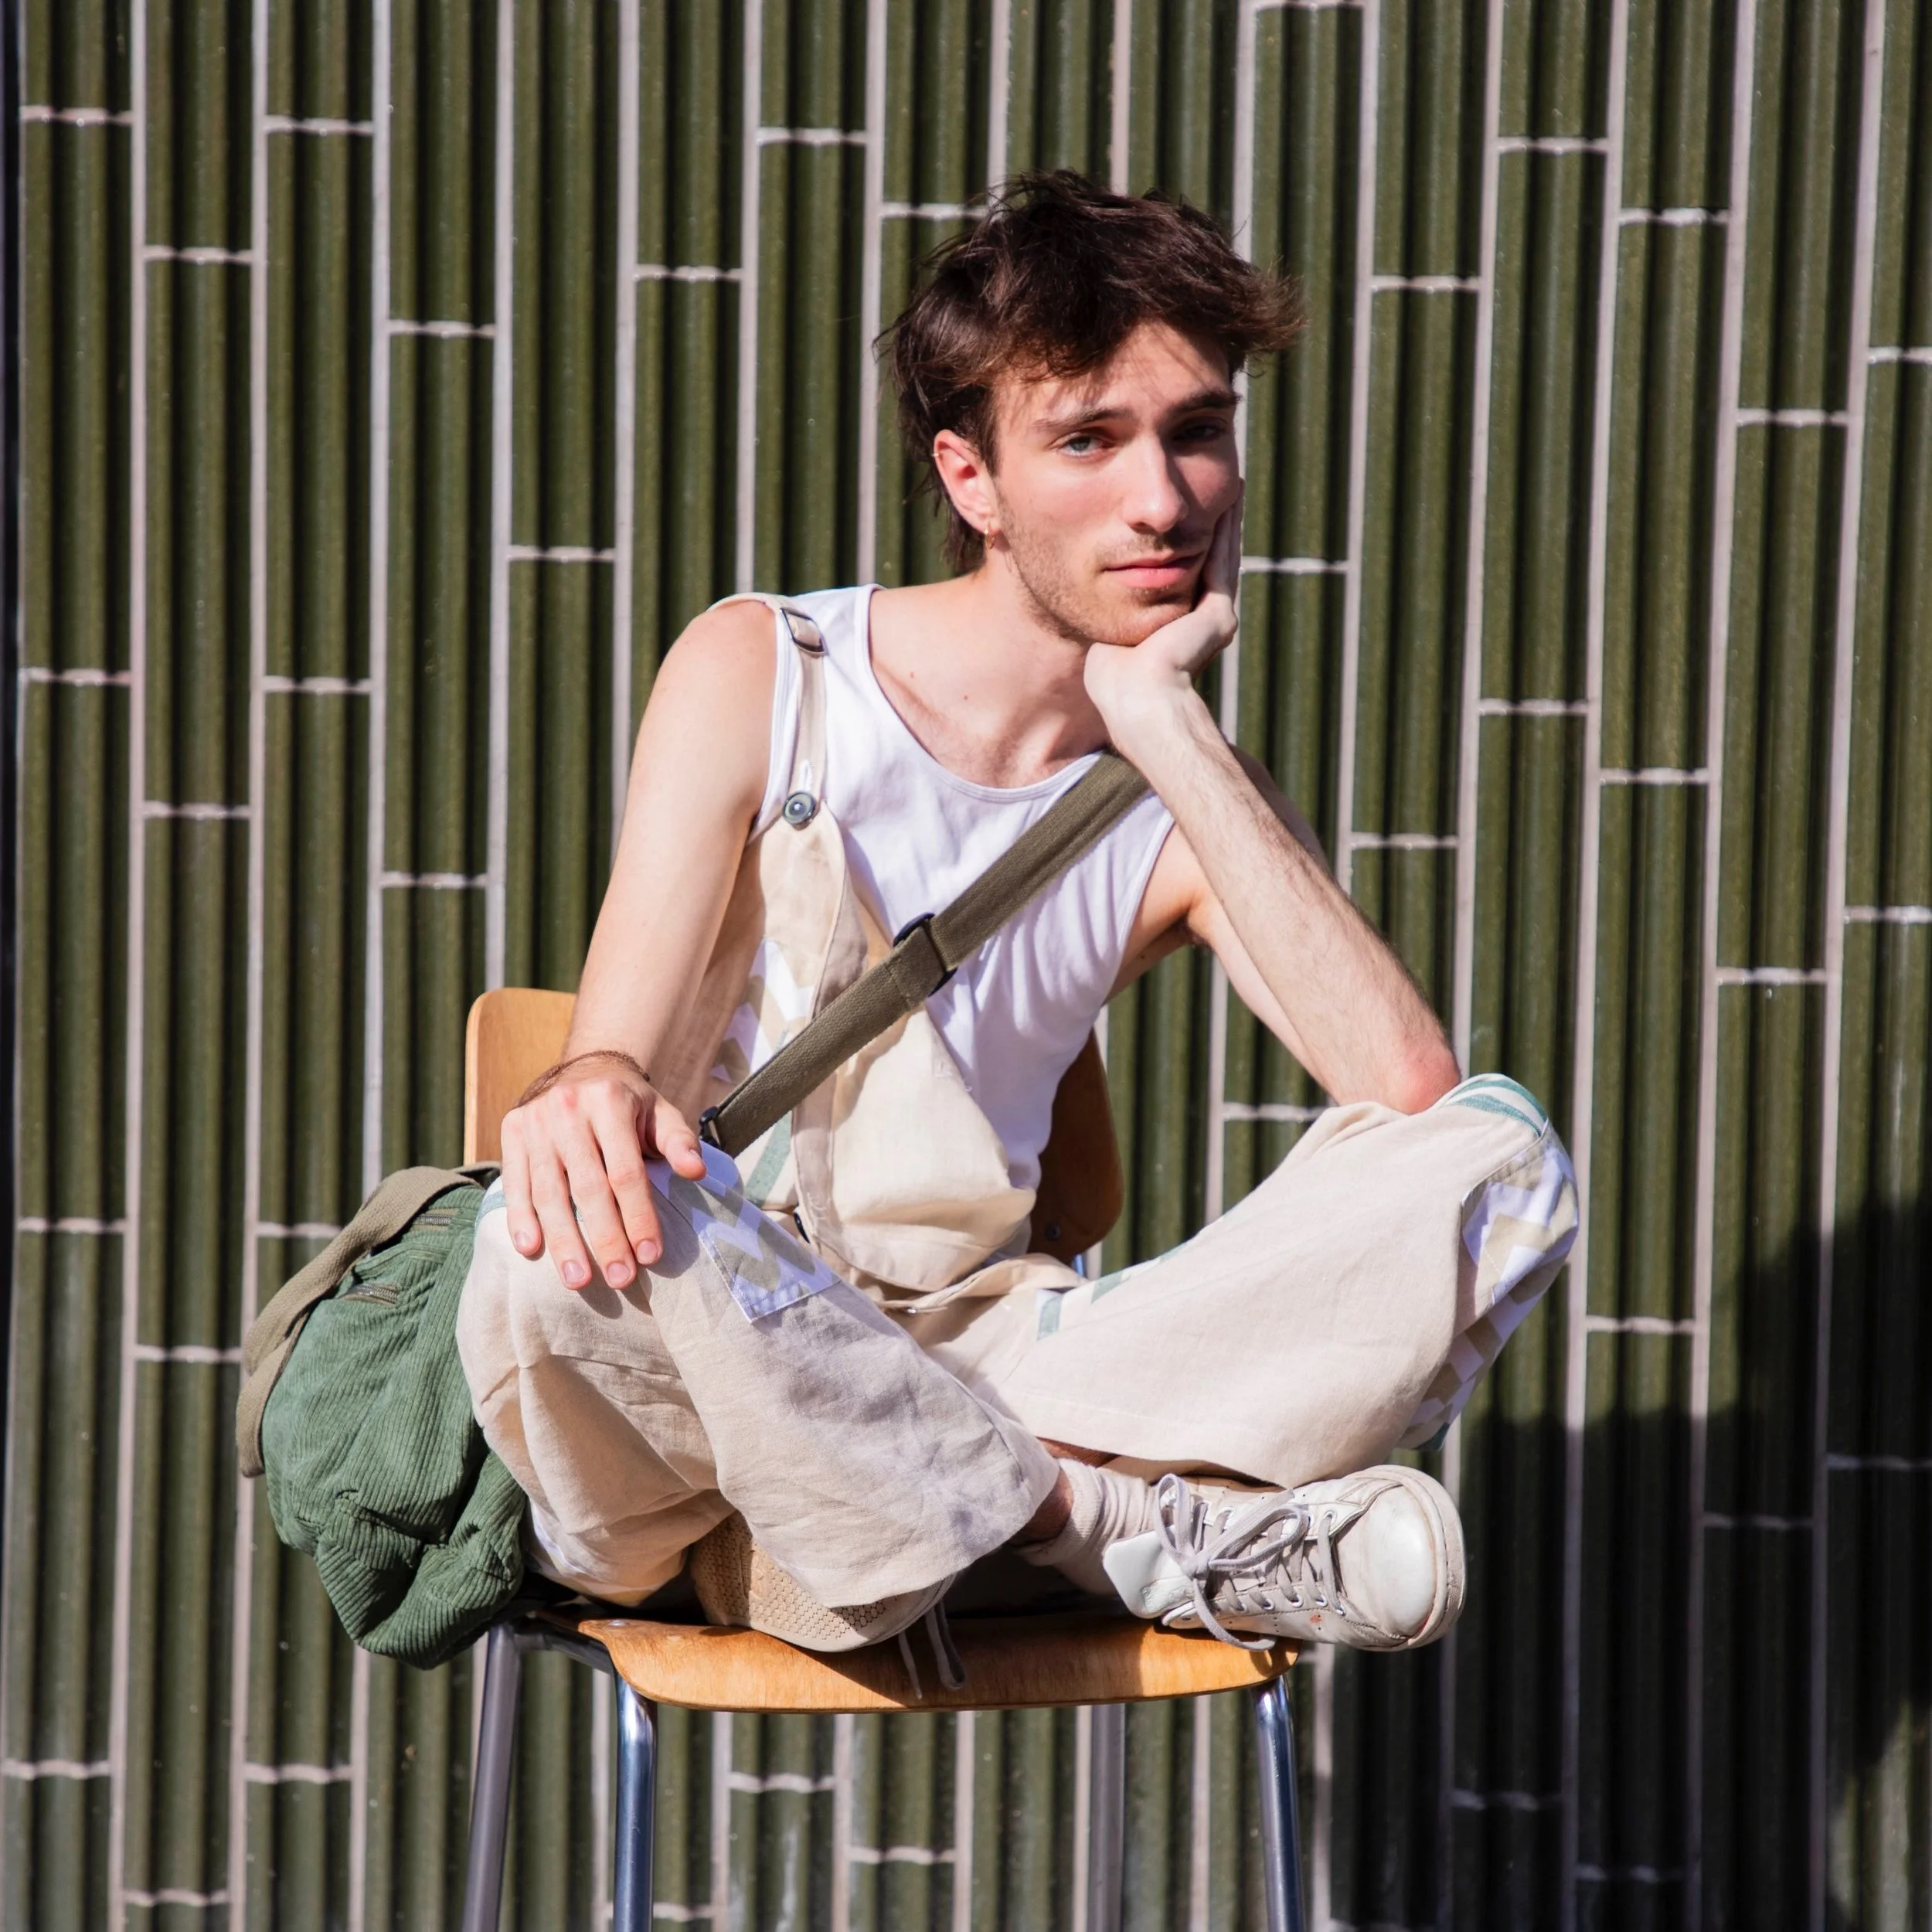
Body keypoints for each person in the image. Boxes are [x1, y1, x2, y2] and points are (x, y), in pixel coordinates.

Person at [455, 172, 1577, 1661]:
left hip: (982, 1356)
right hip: (697, 1379)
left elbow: (1412, 1099)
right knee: (553, 1233)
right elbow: (619, 1079)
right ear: (971, 478)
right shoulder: (767, 674)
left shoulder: (1168, 793)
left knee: (1506, 1161)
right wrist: (586, 1092)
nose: (1162, 500)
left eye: (1197, 431)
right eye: (1088, 441)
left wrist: (1162, 722)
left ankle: (879, 1524)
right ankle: (1107, 1531)